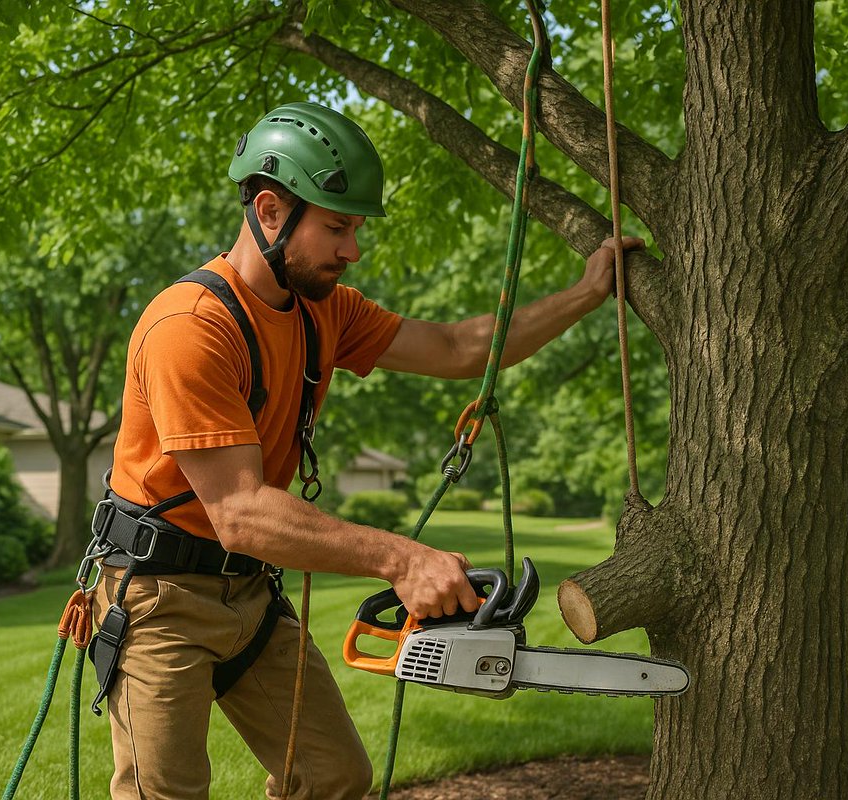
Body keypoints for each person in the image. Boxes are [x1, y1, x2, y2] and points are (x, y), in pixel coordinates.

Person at [90, 100, 642, 800]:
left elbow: (456, 347)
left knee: (333, 775)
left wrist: (587, 294)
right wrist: (401, 558)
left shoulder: (326, 308)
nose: (353, 250)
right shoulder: (190, 328)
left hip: (250, 592)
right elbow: (239, 510)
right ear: (269, 212)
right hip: (159, 596)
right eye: (338, 227)